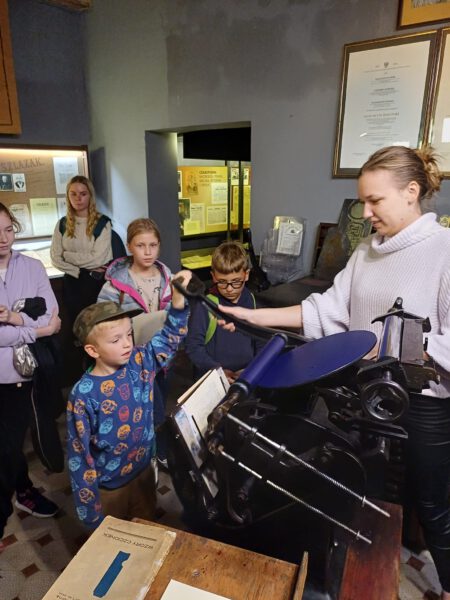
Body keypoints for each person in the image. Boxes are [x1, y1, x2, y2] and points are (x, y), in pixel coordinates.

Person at [220, 145, 450, 600]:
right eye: (362, 202)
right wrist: (251, 316)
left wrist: (398, 345)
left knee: (433, 504)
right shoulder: (366, 252)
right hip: (365, 395)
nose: (365, 213)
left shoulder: (444, 251)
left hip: (423, 404)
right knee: (365, 490)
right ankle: (366, 576)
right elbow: (325, 311)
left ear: (411, 192)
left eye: (375, 201)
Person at [66, 270, 190, 529]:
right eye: (115, 339)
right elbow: (79, 454)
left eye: (129, 335)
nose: (127, 344)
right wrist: (90, 513)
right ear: (92, 350)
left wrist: (178, 303)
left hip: (143, 472)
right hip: (110, 487)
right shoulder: (84, 395)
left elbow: (170, 338)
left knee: (144, 530)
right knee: (112, 540)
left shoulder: (140, 360)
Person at [0, 203, 61, 551]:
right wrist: (34, 329)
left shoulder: (33, 266)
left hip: (22, 375)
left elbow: (51, 315)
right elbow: (43, 326)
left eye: (8, 229)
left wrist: (13, 319)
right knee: (5, 446)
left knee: (11, 443)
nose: (3, 238)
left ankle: (22, 491)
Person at [97, 217, 173, 466]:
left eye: (153, 245)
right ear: (129, 246)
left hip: (163, 357)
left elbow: (179, 314)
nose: (148, 252)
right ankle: (158, 455)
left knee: (158, 400)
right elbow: (101, 323)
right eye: (140, 245)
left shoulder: (168, 278)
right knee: (152, 409)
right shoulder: (115, 285)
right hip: (132, 360)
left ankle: (150, 451)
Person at [185, 240, 265, 384]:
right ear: (213, 276)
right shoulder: (205, 306)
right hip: (212, 380)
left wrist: (252, 368)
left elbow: (260, 341)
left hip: (246, 377)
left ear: (246, 275)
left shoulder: (252, 301)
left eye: (236, 281)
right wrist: (217, 370)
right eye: (222, 282)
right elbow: (193, 347)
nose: (229, 289)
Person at [50, 175, 113, 325]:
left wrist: (67, 255)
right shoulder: (62, 224)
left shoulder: (102, 223)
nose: (78, 198)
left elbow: (98, 259)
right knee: (77, 326)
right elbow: (55, 258)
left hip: (96, 282)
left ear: (90, 196)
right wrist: (77, 271)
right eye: (73, 194)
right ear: (68, 196)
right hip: (72, 282)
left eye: (83, 194)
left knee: (99, 326)